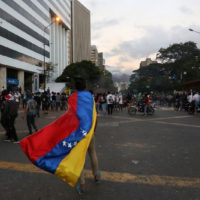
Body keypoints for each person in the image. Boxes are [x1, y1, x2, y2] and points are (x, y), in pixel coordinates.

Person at [74, 77, 101, 194]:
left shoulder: (73, 98)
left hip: (78, 133)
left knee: (79, 158)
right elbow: (95, 115)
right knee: (92, 153)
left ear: (75, 87)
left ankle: (82, 185)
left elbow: (69, 118)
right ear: (85, 86)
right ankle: (96, 175)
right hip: (89, 131)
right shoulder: (90, 98)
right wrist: (94, 129)